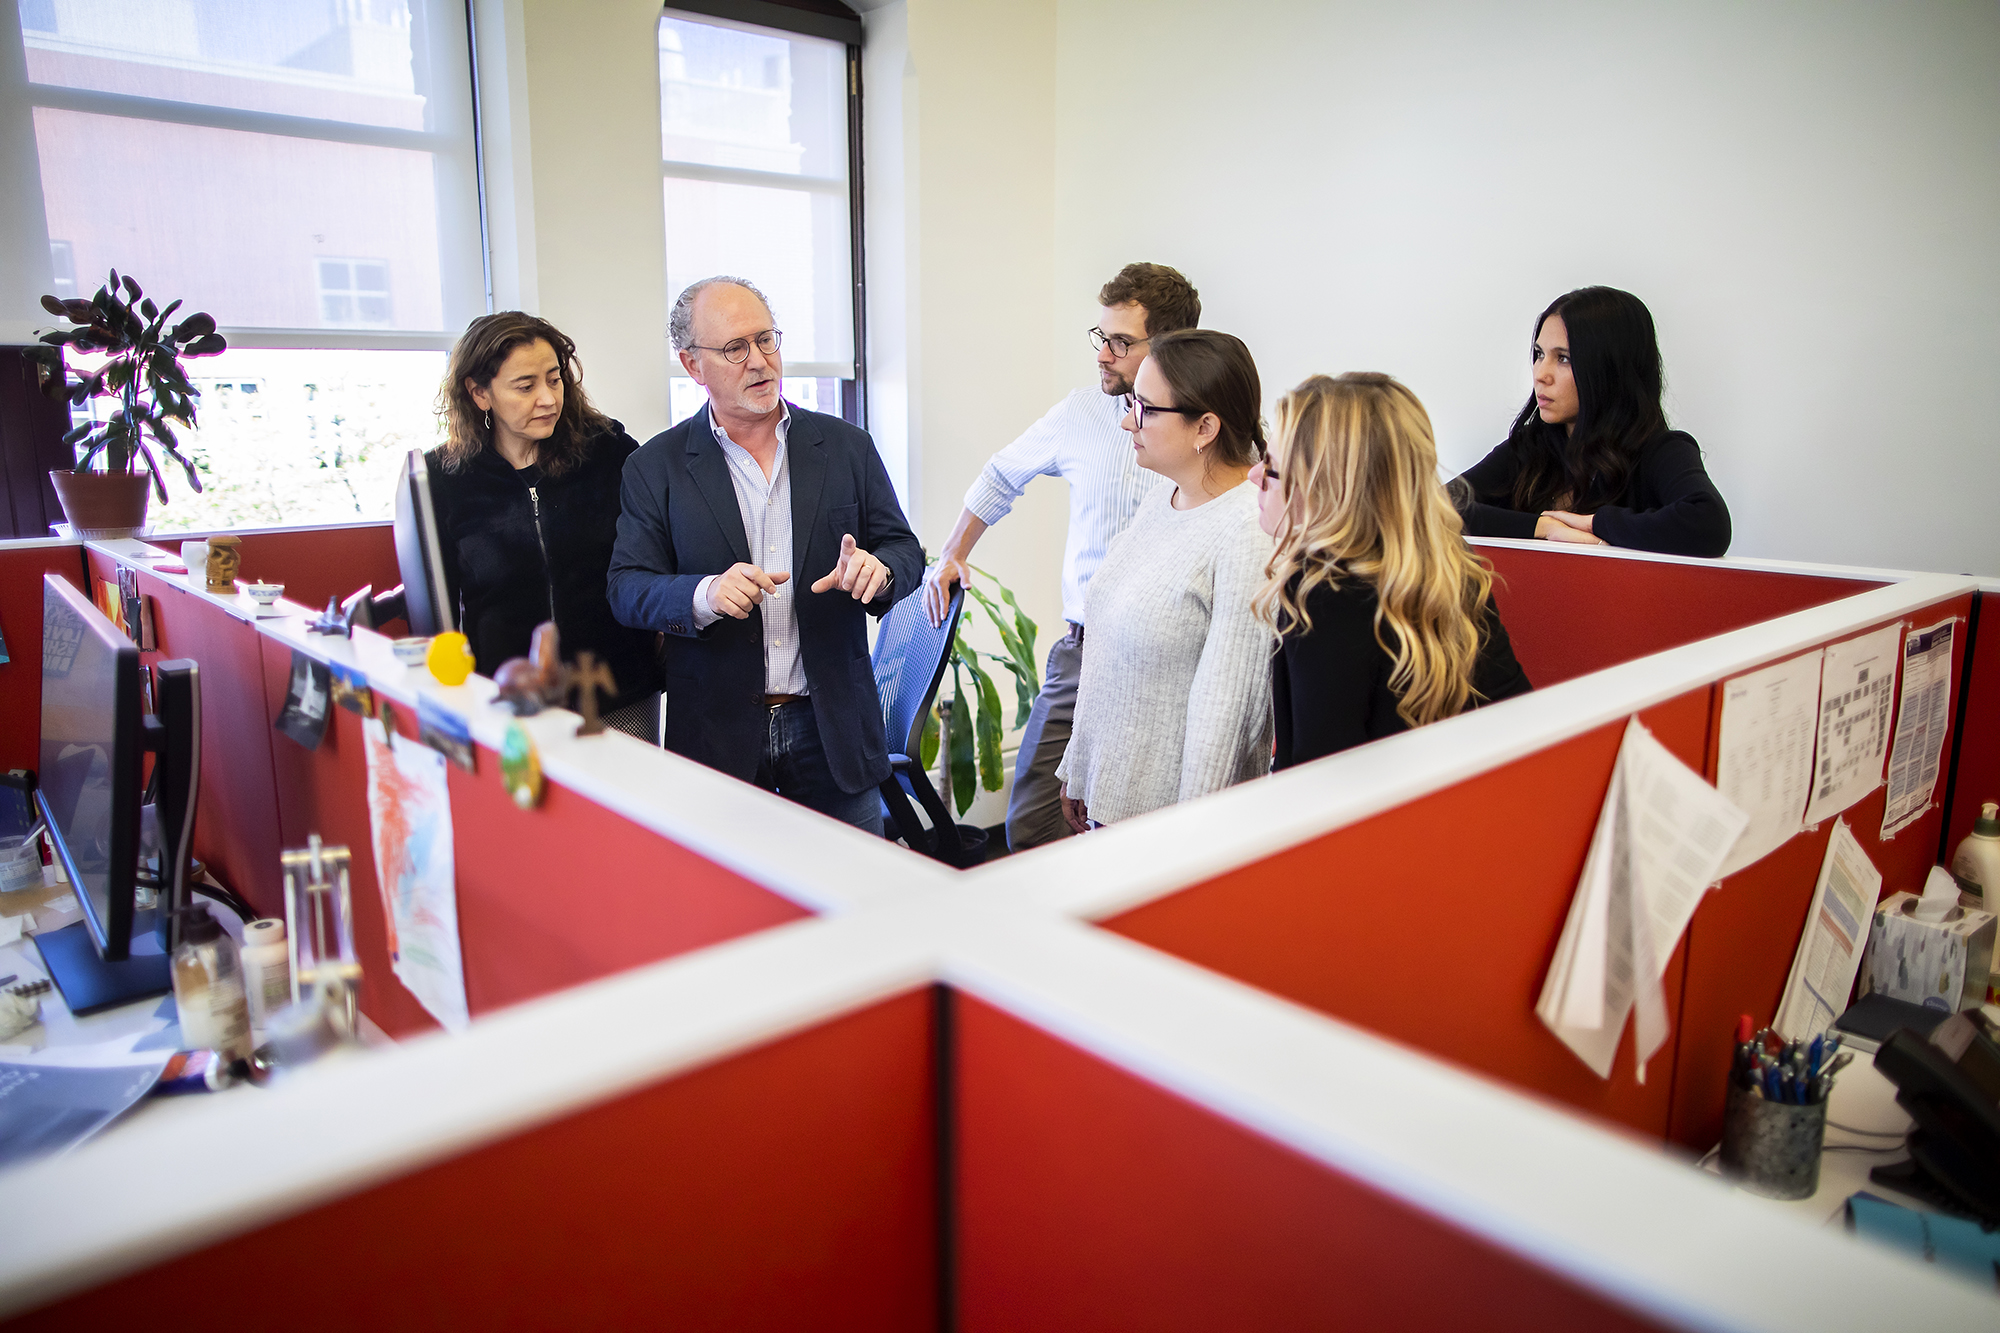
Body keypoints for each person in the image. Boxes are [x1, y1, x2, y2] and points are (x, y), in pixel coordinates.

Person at [607, 277, 923, 833]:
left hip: (830, 729)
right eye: (735, 348)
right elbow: (627, 588)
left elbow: (904, 548)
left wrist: (882, 569)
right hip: (717, 734)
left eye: (766, 340)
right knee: (730, 909)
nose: (759, 361)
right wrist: (704, 593)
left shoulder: (845, 446)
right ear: (692, 364)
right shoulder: (654, 467)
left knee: (855, 902)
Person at [923, 262, 1200, 851]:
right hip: (1084, 650)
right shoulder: (1079, 412)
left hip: (1173, 658)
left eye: (1121, 342)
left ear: (1169, 348)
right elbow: (1001, 475)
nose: (1103, 353)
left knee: (1145, 826)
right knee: (1035, 823)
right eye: (1101, 337)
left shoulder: (1206, 431)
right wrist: (953, 553)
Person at [1054, 330, 1274, 831]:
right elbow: (1106, 650)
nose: (1130, 421)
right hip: (1113, 802)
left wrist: (1187, 843)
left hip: (1171, 826)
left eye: (1148, 409)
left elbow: (1226, 714)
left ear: (1205, 428)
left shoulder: (1248, 532)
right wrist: (1081, 765)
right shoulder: (1163, 497)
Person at [1256, 373, 1532, 768]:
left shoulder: (1322, 589)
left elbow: (1317, 781)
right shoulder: (1452, 568)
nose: (1254, 477)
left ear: (1327, 490)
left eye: (1270, 468)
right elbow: (1519, 722)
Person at [428, 311, 664, 739]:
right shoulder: (444, 477)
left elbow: (660, 549)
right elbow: (437, 606)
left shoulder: (609, 451)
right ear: (480, 393)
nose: (548, 399)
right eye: (526, 386)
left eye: (554, 380)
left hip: (616, 692)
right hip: (507, 698)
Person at [1453, 286, 1731, 558]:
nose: (1541, 374)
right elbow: (1432, 505)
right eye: (1539, 354)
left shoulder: (1661, 450)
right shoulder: (1531, 445)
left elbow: (1708, 523)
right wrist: (1544, 527)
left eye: (1563, 358)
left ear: (1610, 370)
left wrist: (1593, 523)